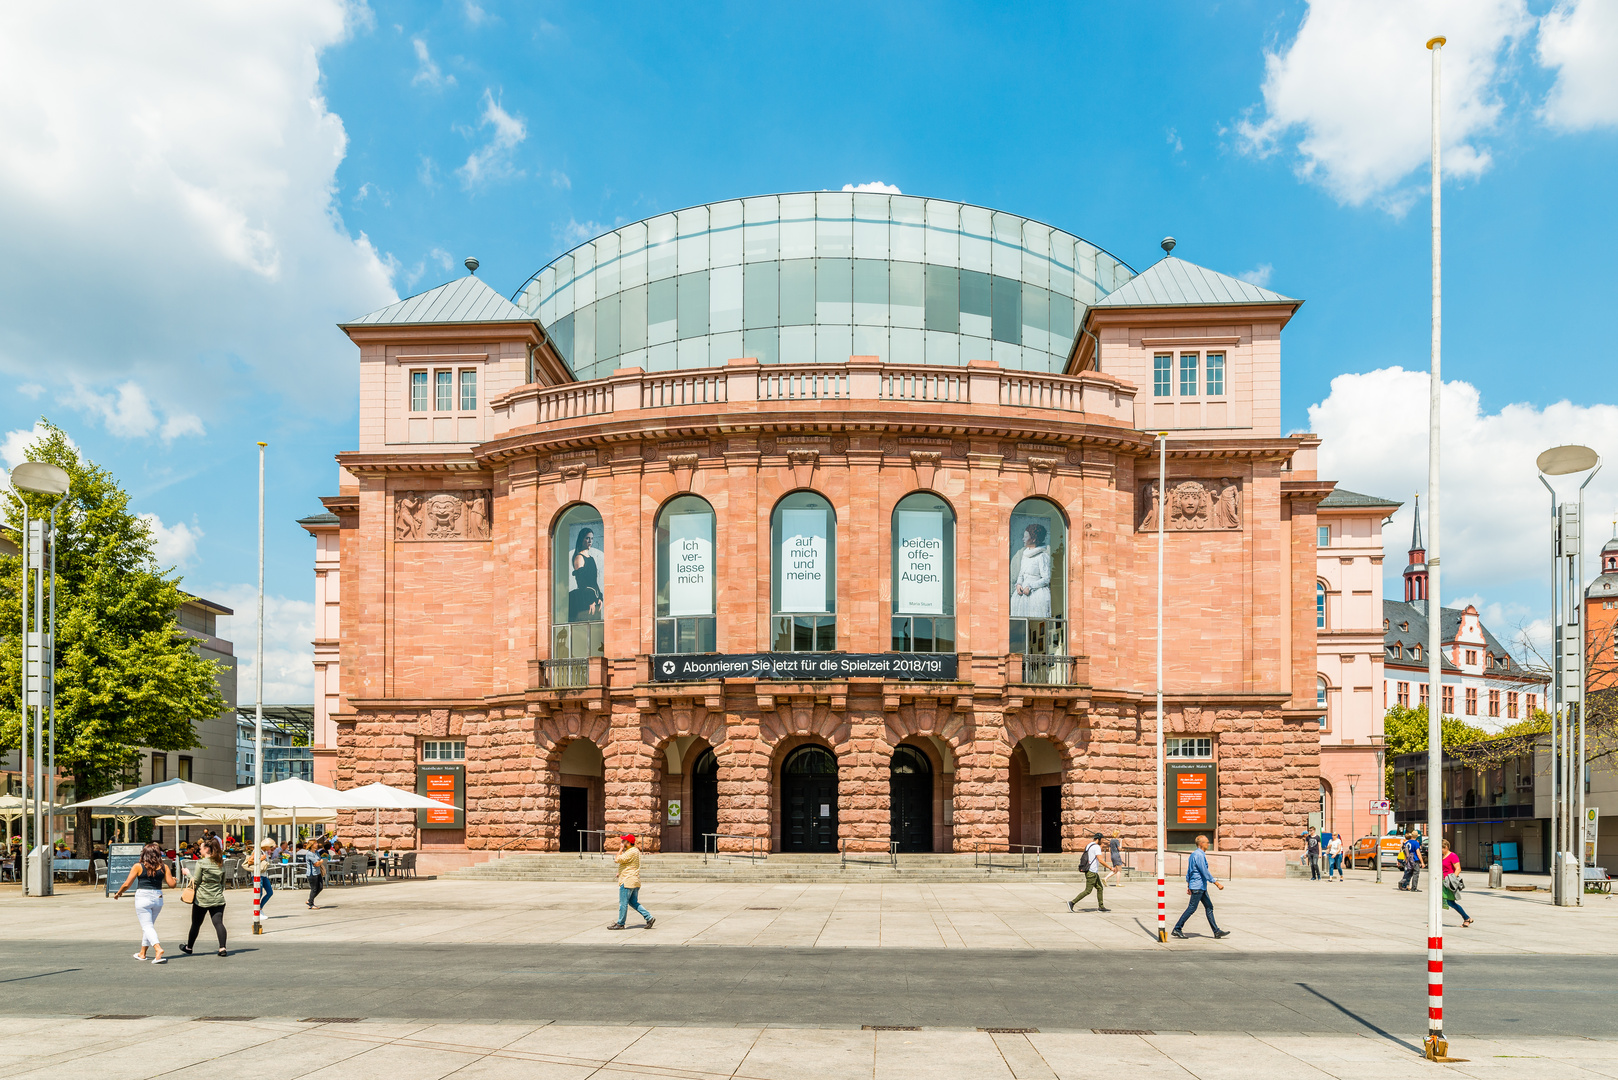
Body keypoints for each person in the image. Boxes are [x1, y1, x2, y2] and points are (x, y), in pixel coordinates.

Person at [112, 841, 177, 963]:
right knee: (149, 926)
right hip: (158, 897)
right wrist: (174, 879)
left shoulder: (138, 866)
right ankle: (142, 953)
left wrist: (119, 892)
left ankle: (158, 948)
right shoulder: (164, 867)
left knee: (147, 926)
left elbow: (127, 883)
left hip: (143, 897)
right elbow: (172, 885)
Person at [1171, 834, 1230, 940]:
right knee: (1192, 908)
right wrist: (1216, 883)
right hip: (1198, 886)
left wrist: (1189, 884)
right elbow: (1204, 871)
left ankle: (1216, 931)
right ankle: (1177, 928)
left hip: (1199, 886)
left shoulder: (1194, 854)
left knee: (1209, 907)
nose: (1209, 844)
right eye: (1207, 842)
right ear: (1201, 844)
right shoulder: (1199, 855)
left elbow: (1189, 871)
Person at [181, 836, 229, 956]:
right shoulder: (220, 863)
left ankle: (189, 947)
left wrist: (187, 874)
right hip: (217, 897)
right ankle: (222, 948)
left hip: (201, 899)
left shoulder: (201, 863)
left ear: (207, 849)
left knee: (196, 924)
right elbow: (223, 883)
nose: (199, 851)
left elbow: (195, 881)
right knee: (218, 923)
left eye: (201, 848)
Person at [608, 834, 654, 930]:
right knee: (633, 902)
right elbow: (629, 864)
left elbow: (617, 859)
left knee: (623, 903)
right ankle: (649, 917)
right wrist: (620, 872)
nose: (621, 842)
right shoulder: (635, 850)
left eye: (623, 841)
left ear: (628, 843)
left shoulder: (630, 852)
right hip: (634, 880)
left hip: (628, 881)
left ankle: (620, 923)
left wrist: (620, 849)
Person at [1010, 523, 1053, 618]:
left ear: (1033, 539)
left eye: (1026, 537)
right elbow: (1021, 574)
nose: (1023, 539)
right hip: (1022, 594)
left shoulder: (1042, 556)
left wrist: (1030, 586)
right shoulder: (1025, 555)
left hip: (1035, 594)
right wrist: (1018, 585)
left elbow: (1046, 578)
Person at [1067, 832, 1112, 913]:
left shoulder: (1089, 845)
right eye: (1102, 839)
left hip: (1092, 871)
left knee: (1100, 888)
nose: (1102, 841)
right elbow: (1100, 860)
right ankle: (1072, 903)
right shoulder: (1097, 847)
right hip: (1092, 871)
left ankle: (1101, 907)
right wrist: (1110, 867)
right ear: (1098, 839)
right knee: (1088, 890)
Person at [1440, 839, 1473, 927]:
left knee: (1451, 902)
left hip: (1449, 882)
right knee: (1441, 901)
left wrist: (1452, 880)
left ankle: (1466, 918)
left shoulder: (1452, 856)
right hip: (1443, 881)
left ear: (1446, 847)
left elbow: (1458, 868)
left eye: (1441, 848)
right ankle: (1466, 918)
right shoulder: (1442, 856)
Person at [245, 839, 277, 910]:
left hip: (264, 874)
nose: (271, 848)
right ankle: (256, 909)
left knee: (269, 892)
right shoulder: (257, 851)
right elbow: (250, 861)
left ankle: (260, 908)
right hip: (257, 874)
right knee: (259, 893)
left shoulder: (264, 852)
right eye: (270, 846)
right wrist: (261, 859)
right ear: (266, 846)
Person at [302, 840, 326, 909]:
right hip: (312, 874)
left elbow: (319, 861)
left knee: (320, 887)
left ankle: (310, 900)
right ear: (311, 845)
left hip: (318, 873)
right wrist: (320, 861)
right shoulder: (309, 854)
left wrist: (319, 862)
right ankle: (311, 904)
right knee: (314, 889)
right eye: (315, 843)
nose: (317, 844)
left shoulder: (316, 852)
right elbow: (316, 864)